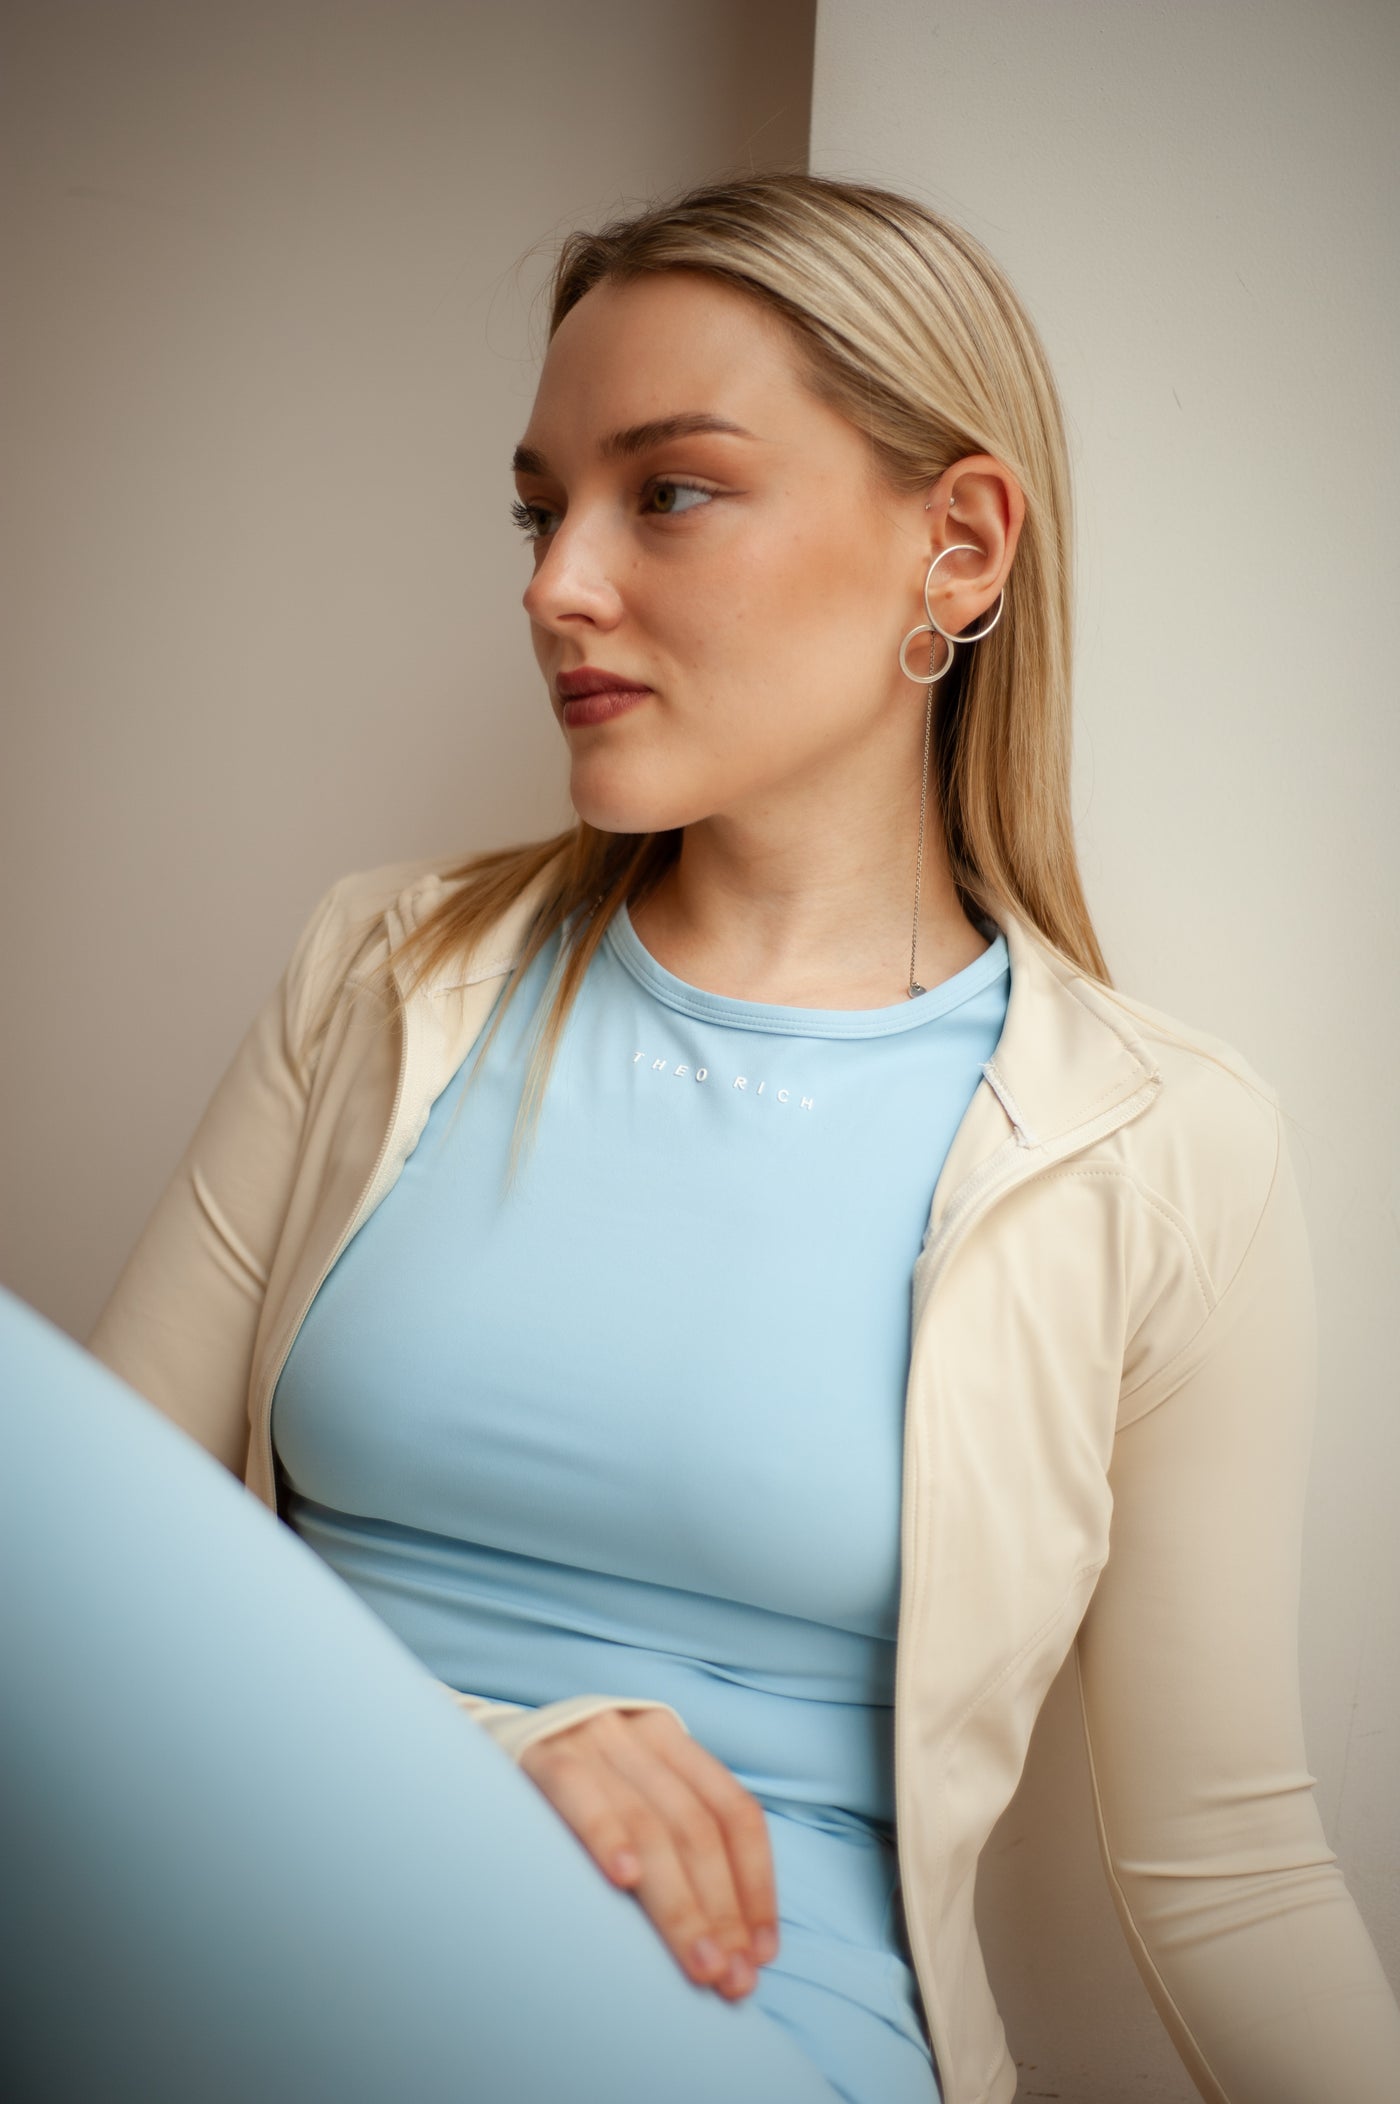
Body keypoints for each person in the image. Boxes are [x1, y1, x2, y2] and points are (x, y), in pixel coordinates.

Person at [67, 171, 1400, 2104]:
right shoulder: (381, 975)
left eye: (669, 492)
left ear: (958, 547)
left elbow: (1233, 1879)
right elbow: (78, 1577)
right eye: (538, 511)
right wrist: (481, 1757)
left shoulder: (1158, 1147)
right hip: (229, 1942)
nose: (556, 585)